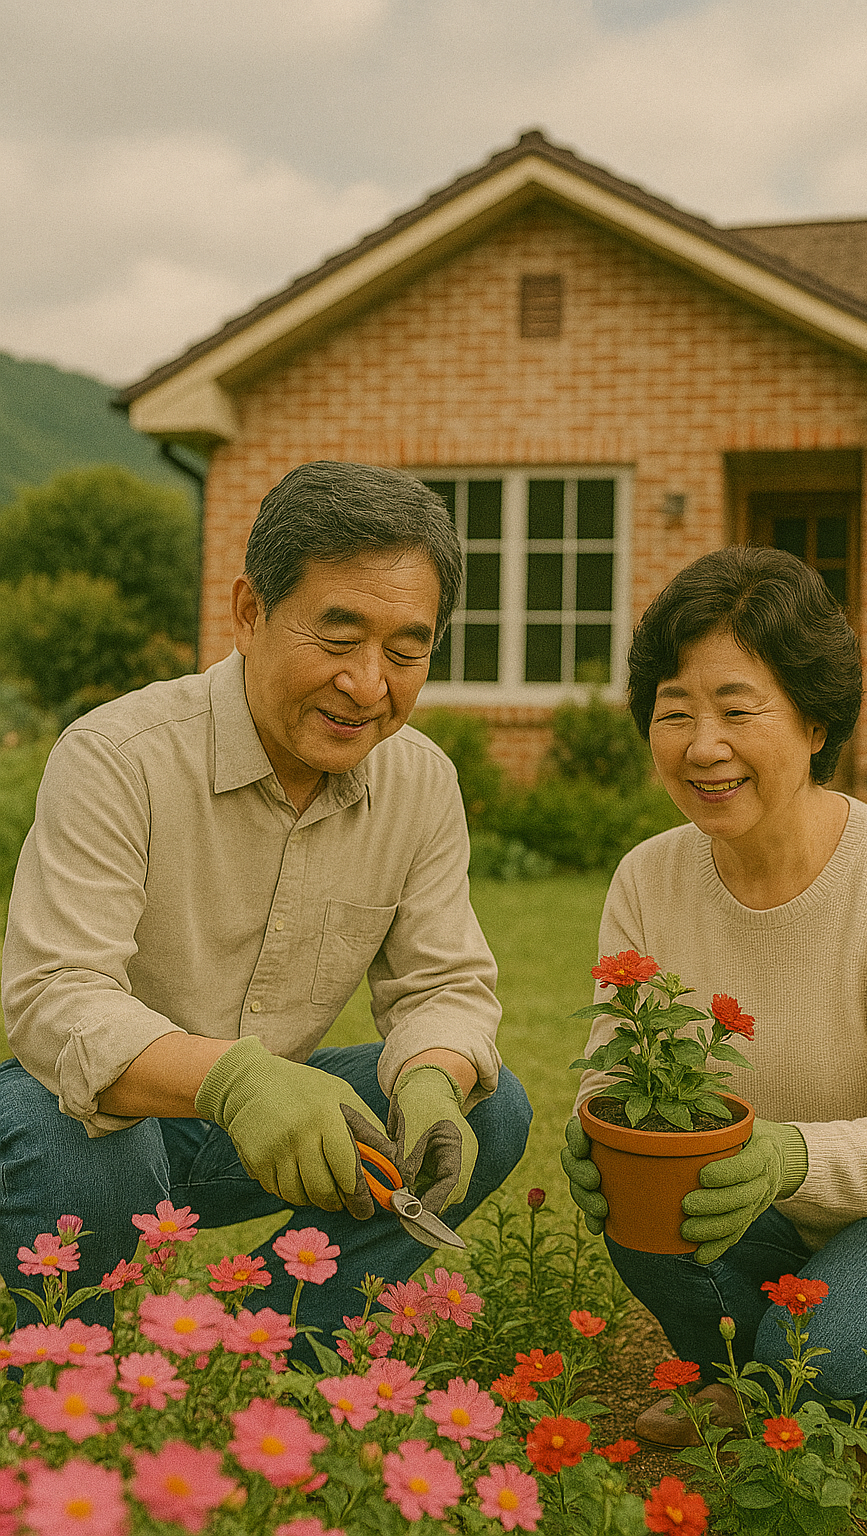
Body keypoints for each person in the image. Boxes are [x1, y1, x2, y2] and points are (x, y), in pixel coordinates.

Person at [0, 460, 531, 1346]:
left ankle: (272, 1346)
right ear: (249, 614)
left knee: (493, 1103)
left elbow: (443, 986)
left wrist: (434, 1079)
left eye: (406, 652)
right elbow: (56, 998)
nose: (368, 684)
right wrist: (235, 1080)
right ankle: (70, 1370)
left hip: (284, 1124)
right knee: (62, 1127)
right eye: (339, 637)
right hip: (116, 1123)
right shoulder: (118, 756)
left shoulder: (421, 782)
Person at [562, 544, 867, 1487]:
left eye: (738, 710)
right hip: (756, 1207)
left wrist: (786, 1156)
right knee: (642, 1209)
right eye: (675, 712)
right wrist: (596, 1131)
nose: (703, 746)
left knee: (839, 1350)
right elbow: (613, 1066)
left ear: (815, 722)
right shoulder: (647, 877)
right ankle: (753, 1376)